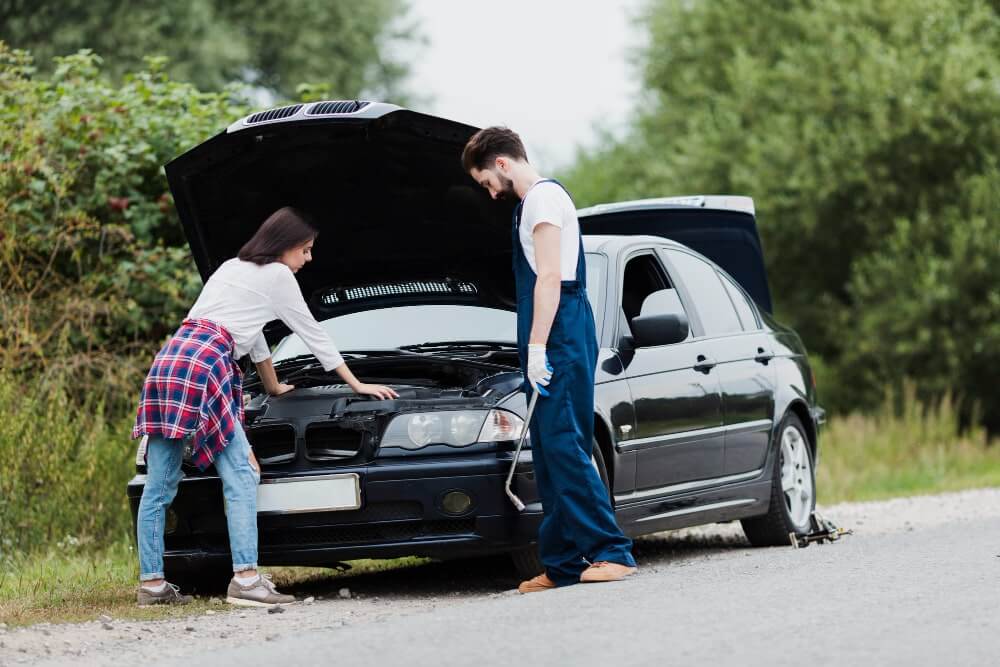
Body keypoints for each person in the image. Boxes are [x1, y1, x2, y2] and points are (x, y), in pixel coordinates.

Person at [131, 206, 398, 607]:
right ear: (286, 245)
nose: (307, 259)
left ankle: (152, 585)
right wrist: (357, 382)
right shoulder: (277, 275)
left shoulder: (231, 267)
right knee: (241, 474)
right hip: (207, 363)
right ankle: (246, 578)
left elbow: (249, 332)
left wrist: (272, 385)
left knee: (159, 483)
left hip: (171, 360)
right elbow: (309, 329)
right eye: (305, 250)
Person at [462, 127, 637, 593]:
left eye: (485, 181)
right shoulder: (533, 202)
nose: (489, 192)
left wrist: (538, 347)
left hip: (559, 327)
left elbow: (550, 277)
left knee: (563, 444)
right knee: (549, 448)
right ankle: (560, 562)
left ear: (501, 164)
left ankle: (611, 551)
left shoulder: (541, 200)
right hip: (555, 327)